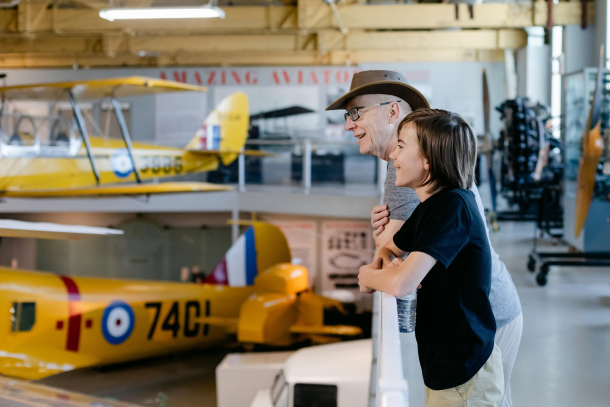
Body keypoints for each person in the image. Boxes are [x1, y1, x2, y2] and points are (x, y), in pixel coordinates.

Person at [326, 70, 522, 407]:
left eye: (356, 113)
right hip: (452, 347)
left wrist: (370, 271)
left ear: (392, 112)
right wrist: (383, 245)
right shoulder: (419, 184)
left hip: (479, 329)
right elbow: (393, 246)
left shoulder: (430, 189)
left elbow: (401, 271)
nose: (348, 125)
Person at [359, 109, 504, 406]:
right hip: (445, 368)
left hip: (464, 375)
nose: (393, 155)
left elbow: (401, 284)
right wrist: (388, 264)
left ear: (427, 160)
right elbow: (389, 250)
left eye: (401, 145)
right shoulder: (431, 207)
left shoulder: (453, 207)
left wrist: (368, 275)